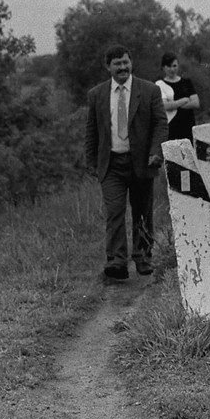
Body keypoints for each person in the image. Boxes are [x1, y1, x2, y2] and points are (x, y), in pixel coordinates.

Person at [85, 45, 168, 279]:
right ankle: (116, 261)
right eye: (117, 64)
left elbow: (161, 124)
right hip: (111, 164)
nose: (122, 67)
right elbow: (92, 130)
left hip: (141, 162)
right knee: (114, 211)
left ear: (131, 63)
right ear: (108, 67)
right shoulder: (97, 95)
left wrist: (156, 152)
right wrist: (91, 162)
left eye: (125, 62)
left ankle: (143, 257)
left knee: (142, 212)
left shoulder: (149, 90)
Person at [160, 52, 200, 141]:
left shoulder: (186, 82)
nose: (172, 69)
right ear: (163, 67)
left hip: (189, 126)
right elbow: (164, 106)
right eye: (169, 66)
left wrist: (173, 104)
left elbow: (196, 103)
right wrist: (183, 101)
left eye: (174, 66)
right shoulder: (160, 84)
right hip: (171, 128)